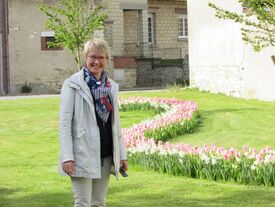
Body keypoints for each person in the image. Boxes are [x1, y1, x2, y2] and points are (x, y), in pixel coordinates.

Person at [58, 38, 128, 207]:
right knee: (82, 203)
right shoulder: (72, 84)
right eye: (92, 57)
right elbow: (65, 124)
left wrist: (122, 155)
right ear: (85, 58)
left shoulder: (111, 86)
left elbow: (115, 124)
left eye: (101, 57)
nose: (97, 61)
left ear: (107, 60)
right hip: (82, 153)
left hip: (105, 153)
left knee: (98, 202)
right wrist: (67, 157)